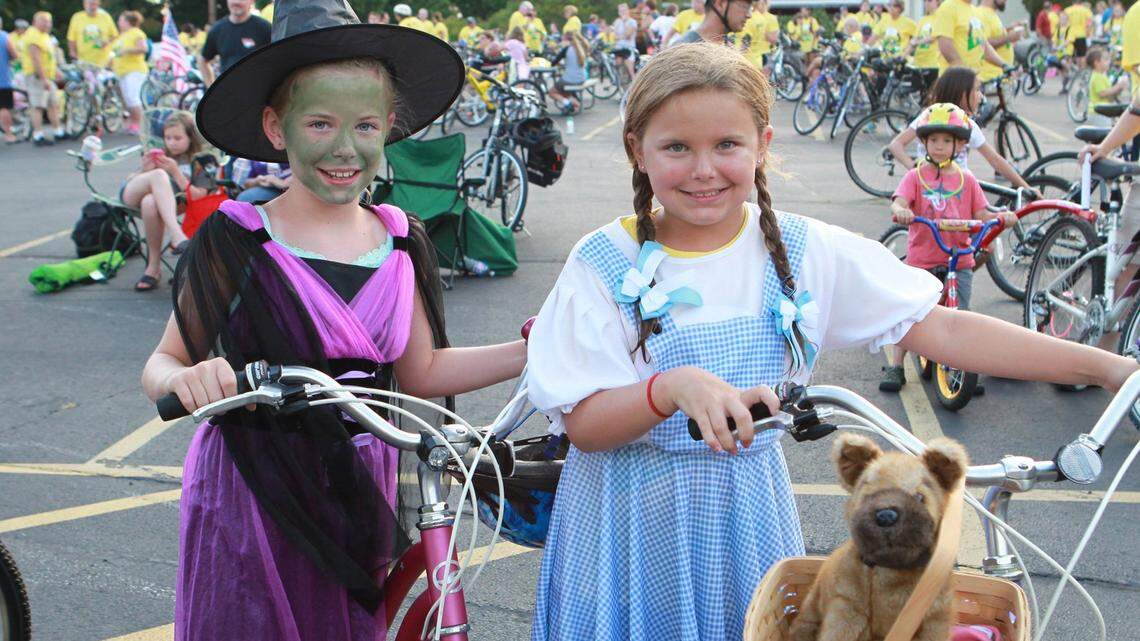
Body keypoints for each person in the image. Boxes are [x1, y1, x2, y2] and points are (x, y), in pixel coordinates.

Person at [526, 42, 1139, 641]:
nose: (704, 169)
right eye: (677, 147)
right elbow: (586, 426)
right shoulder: (603, 261)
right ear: (638, 149)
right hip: (627, 529)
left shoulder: (801, 249)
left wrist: (1111, 369)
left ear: (763, 144)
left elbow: (944, 327)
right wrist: (669, 388)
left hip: (746, 525)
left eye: (727, 144)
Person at [142, 0, 527, 636]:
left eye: (365, 126)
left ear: (389, 126)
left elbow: (424, 371)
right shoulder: (237, 237)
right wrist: (185, 379)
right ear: (276, 127)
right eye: (319, 123)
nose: (346, 148)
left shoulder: (401, 240)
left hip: (357, 491)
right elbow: (163, 361)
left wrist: (531, 349)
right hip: (252, 495)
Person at [880, 103, 1017, 391]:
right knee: (911, 313)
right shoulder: (916, 176)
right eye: (933, 140)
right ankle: (896, 365)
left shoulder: (967, 180)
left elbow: (983, 214)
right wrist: (901, 210)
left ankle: (961, 368)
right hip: (923, 258)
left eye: (946, 140)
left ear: (960, 145)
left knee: (960, 316)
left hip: (959, 258)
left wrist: (1001, 218)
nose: (939, 146)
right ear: (924, 142)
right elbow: (900, 201)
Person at [888, 67, 1040, 194]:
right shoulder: (957, 122)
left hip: (954, 191)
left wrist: (1024, 186)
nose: (981, 96)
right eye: (977, 90)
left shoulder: (932, 116)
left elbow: (896, 145)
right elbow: (995, 160)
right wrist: (915, 169)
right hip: (945, 193)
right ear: (961, 94)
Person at [122, 111, 214, 291]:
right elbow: (130, 180)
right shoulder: (160, 155)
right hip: (131, 195)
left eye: (177, 138)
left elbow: (199, 196)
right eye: (168, 138)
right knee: (157, 175)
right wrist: (144, 170)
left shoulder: (202, 161)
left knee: (150, 203)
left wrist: (176, 172)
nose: (171, 142)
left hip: (171, 203)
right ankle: (176, 233)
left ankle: (153, 268)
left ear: (191, 138)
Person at [197, 0, 272, 86]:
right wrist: (211, 87)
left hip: (258, 90)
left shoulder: (264, 28)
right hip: (228, 90)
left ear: (251, 1)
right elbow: (203, 60)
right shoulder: (217, 30)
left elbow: (277, 59)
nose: (236, 2)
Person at [21, 12, 63, 147]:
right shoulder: (33, 35)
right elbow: (36, 59)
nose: (47, 24)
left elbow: (48, 57)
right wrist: (44, 78)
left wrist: (55, 71)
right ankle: (38, 135)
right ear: (35, 22)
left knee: (53, 104)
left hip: (48, 76)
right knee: (38, 106)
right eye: (44, 21)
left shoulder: (44, 36)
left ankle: (58, 131)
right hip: (37, 76)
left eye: (49, 21)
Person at [933, 0, 1007, 72]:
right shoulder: (948, 6)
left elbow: (983, 45)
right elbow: (945, 46)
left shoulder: (974, 10)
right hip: (954, 77)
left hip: (972, 77)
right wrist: (967, 73)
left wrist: (1004, 65)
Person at [110, 11, 149, 136]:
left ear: (128, 22)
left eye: (121, 20)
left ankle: (139, 125)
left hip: (134, 70)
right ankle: (133, 123)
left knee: (133, 98)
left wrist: (127, 50)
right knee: (127, 99)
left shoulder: (136, 33)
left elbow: (144, 48)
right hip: (122, 71)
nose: (118, 23)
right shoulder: (122, 35)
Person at [976, 0, 1023, 83]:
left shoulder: (991, 13)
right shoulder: (981, 14)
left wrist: (1009, 29)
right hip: (991, 79)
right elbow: (983, 44)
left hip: (1001, 77)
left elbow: (994, 35)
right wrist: (1010, 37)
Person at [670, 0, 751, 45]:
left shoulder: (727, 47)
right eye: (745, 7)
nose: (749, 15)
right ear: (721, 4)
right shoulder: (683, 53)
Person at [548, 29, 590, 113]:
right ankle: (576, 104)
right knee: (564, 91)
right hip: (582, 78)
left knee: (552, 92)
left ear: (566, 40)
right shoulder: (582, 47)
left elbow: (553, 63)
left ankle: (568, 104)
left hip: (570, 80)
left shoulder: (567, 49)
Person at [1085, 47, 1129, 126]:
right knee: (1103, 132)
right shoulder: (1097, 76)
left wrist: (1119, 88)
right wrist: (1118, 86)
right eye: (1106, 60)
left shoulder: (1102, 75)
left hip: (1103, 111)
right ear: (1096, 63)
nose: (1109, 62)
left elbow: (1110, 94)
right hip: (1098, 112)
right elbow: (1103, 93)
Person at [67, 0, 118, 67]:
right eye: (90, 4)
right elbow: (71, 38)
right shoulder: (77, 17)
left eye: (95, 4)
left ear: (99, 4)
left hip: (104, 62)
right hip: (83, 62)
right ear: (84, 4)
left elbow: (115, 35)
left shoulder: (105, 17)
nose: (93, 7)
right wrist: (73, 53)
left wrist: (107, 42)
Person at [740, 0, 777, 72]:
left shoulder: (750, 19)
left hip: (747, 61)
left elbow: (746, 42)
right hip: (758, 60)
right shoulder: (762, 18)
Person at [0, 18, 17, 144]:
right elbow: (14, 55)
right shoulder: (5, 36)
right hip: (3, 79)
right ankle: (9, 135)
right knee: (4, 108)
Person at [613, 3, 640, 79]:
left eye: (624, 10)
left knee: (630, 70)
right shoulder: (617, 22)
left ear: (628, 11)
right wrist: (621, 36)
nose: (623, 12)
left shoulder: (632, 22)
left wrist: (624, 22)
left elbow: (628, 35)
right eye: (621, 11)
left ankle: (633, 80)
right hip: (618, 48)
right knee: (616, 66)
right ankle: (619, 81)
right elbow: (615, 36)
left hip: (629, 47)